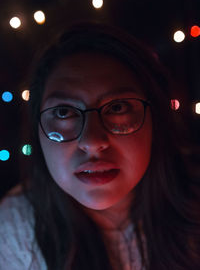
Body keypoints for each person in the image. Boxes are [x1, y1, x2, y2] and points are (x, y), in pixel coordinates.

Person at [0, 22, 200, 270]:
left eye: (118, 108)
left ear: (155, 119)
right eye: (64, 112)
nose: (93, 142)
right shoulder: (15, 231)